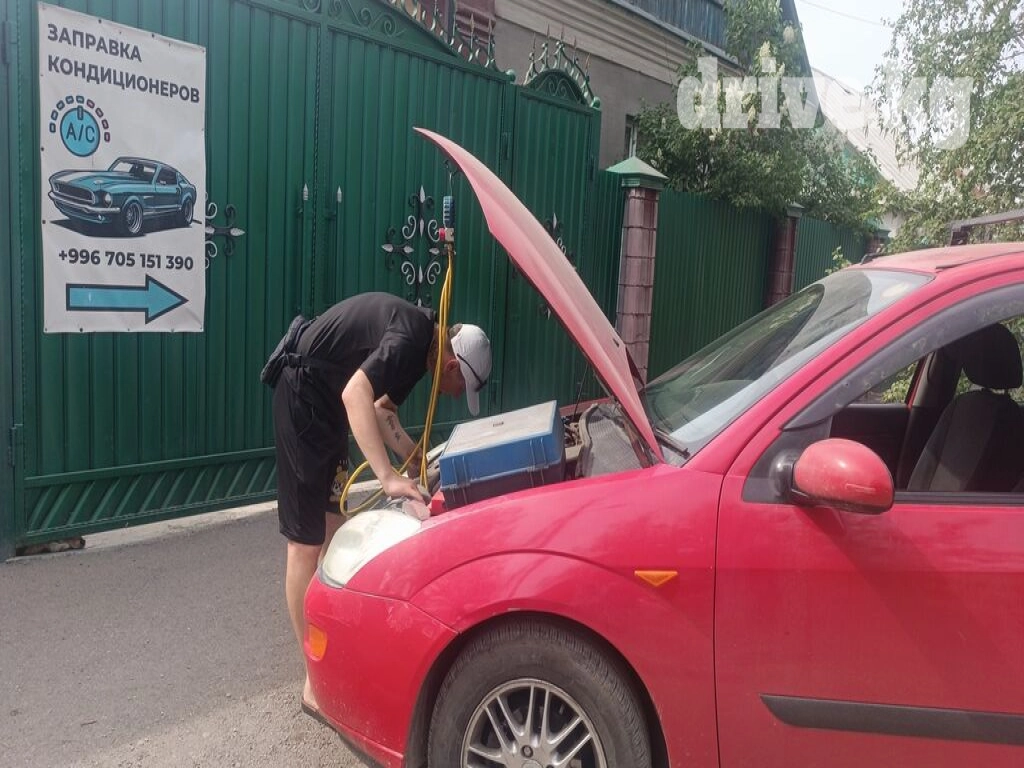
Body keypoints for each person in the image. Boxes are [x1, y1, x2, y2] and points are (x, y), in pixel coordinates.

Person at [272, 291, 491, 713]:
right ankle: (313, 680)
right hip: (302, 397)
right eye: (459, 388)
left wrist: (416, 461)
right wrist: (388, 478)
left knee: (333, 534)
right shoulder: (411, 337)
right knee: (304, 545)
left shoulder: (422, 350)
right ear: (451, 367)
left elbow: (380, 410)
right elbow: (356, 393)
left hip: (326, 406)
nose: (452, 395)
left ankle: (331, 649)